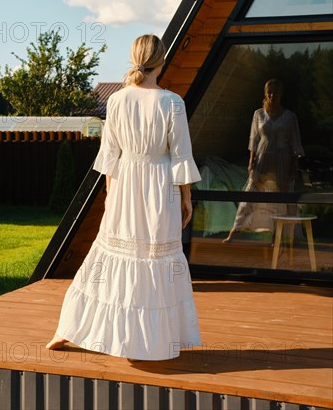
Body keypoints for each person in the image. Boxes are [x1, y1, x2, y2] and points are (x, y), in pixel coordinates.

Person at [46, 34, 202, 360]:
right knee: (153, 259)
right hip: (160, 188)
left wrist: (109, 194)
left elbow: (109, 157)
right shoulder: (172, 102)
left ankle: (67, 329)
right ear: (161, 60)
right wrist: (186, 198)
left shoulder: (116, 100)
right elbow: (181, 156)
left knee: (107, 257)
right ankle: (149, 342)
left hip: (125, 184)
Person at [223, 78, 304, 243]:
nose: (273, 95)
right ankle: (234, 231)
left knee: (280, 199)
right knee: (250, 195)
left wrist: (294, 167)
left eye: (276, 92)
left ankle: (278, 236)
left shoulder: (290, 117)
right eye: (270, 92)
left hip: (282, 161)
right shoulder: (259, 114)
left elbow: (295, 142)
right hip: (263, 159)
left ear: (281, 94)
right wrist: (251, 163)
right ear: (266, 94)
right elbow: (253, 139)